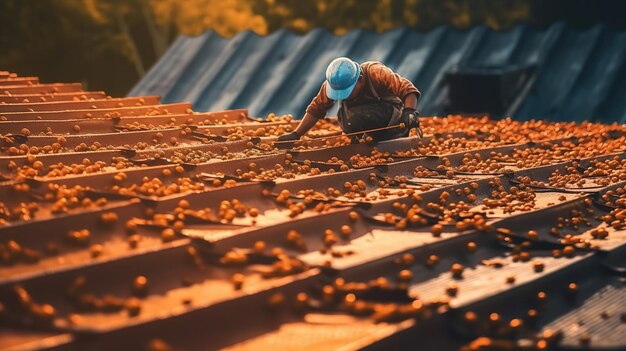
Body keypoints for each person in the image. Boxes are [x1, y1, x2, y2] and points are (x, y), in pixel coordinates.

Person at [278, 57, 421, 142]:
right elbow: (316, 109)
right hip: (357, 119)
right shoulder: (333, 83)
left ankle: (389, 134)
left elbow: (407, 89)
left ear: (359, 79)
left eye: (348, 91)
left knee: (360, 116)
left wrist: (409, 112)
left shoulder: (375, 72)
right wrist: (296, 134)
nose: (345, 96)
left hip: (388, 116)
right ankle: (364, 137)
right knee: (349, 118)